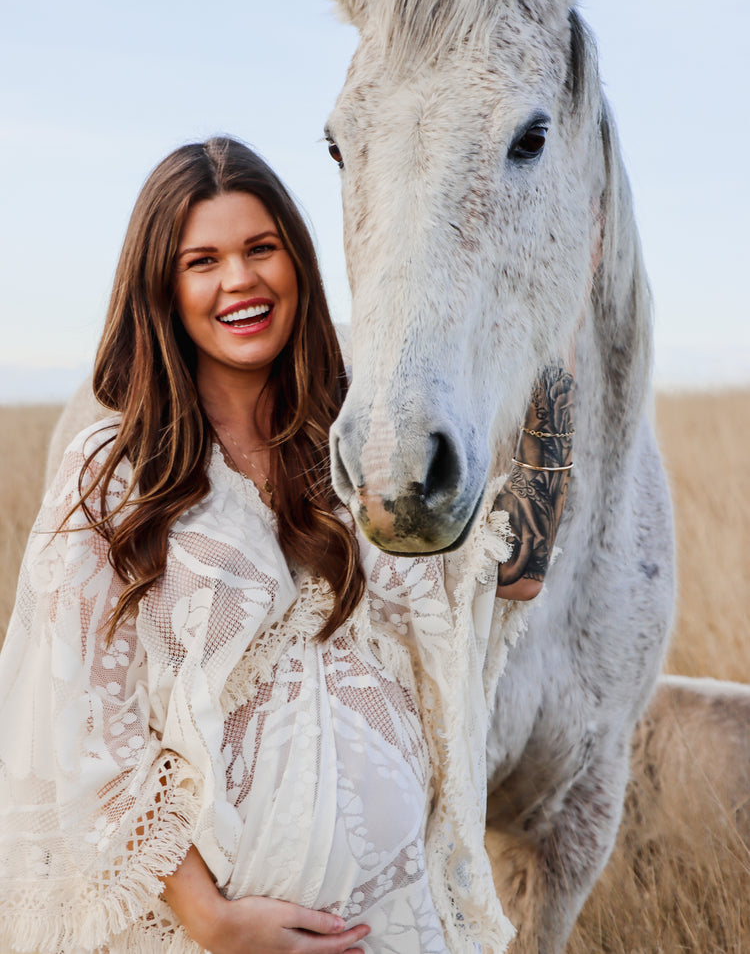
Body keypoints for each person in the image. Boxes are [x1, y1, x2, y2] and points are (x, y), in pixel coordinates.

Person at [0, 137, 574, 954]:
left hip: (395, 923)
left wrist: (558, 344)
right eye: (204, 259)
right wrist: (217, 921)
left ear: (298, 262)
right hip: (203, 938)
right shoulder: (114, 471)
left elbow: (511, 573)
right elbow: (88, 729)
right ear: (163, 285)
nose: (240, 279)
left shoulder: (358, 446)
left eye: (260, 248)